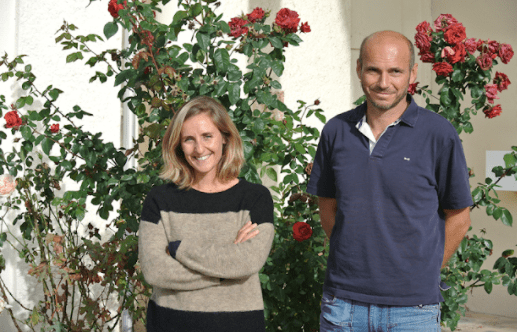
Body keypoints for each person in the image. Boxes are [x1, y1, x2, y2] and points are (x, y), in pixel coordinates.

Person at [307, 31, 473, 331]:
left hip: (413, 311)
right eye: (374, 70)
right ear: (359, 69)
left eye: (395, 71)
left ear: (412, 72)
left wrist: (424, 272)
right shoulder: (336, 131)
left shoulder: (439, 134)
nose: (384, 83)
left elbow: (459, 217)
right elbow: (328, 208)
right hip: (343, 305)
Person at [139, 96, 274, 332]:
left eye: (207, 136)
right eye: (189, 139)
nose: (199, 149)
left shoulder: (255, 199)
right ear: (178, 145)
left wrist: (179, 249)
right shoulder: (160, 201)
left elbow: (248, 261)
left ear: (225, 137)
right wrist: (226, 272)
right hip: (170, 325)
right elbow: (155, 271)